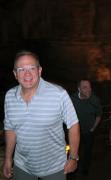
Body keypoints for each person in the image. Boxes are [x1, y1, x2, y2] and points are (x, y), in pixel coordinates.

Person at [3, 50, 80, 180]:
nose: (27, 73)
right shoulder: (10, 96)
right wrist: (8, 159)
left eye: (32, 68)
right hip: (23, 166)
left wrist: (73, 157)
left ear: (39, 71)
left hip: (55, 167)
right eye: (21, 69)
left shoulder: (58, 94)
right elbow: (10, 129)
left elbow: (73, 125)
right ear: (15, 74)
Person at [71, 79, 102, 175]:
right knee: (74, 150)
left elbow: (99, 115)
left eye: (89, 87)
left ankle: (85, 168)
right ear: (79, 89)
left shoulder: (95, 100)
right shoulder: (72, 99)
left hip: (89, 130)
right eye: (85, 87)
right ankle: (72, 167)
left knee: (88, 150)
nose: (89, 90)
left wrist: (93, 128)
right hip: (75, 131)